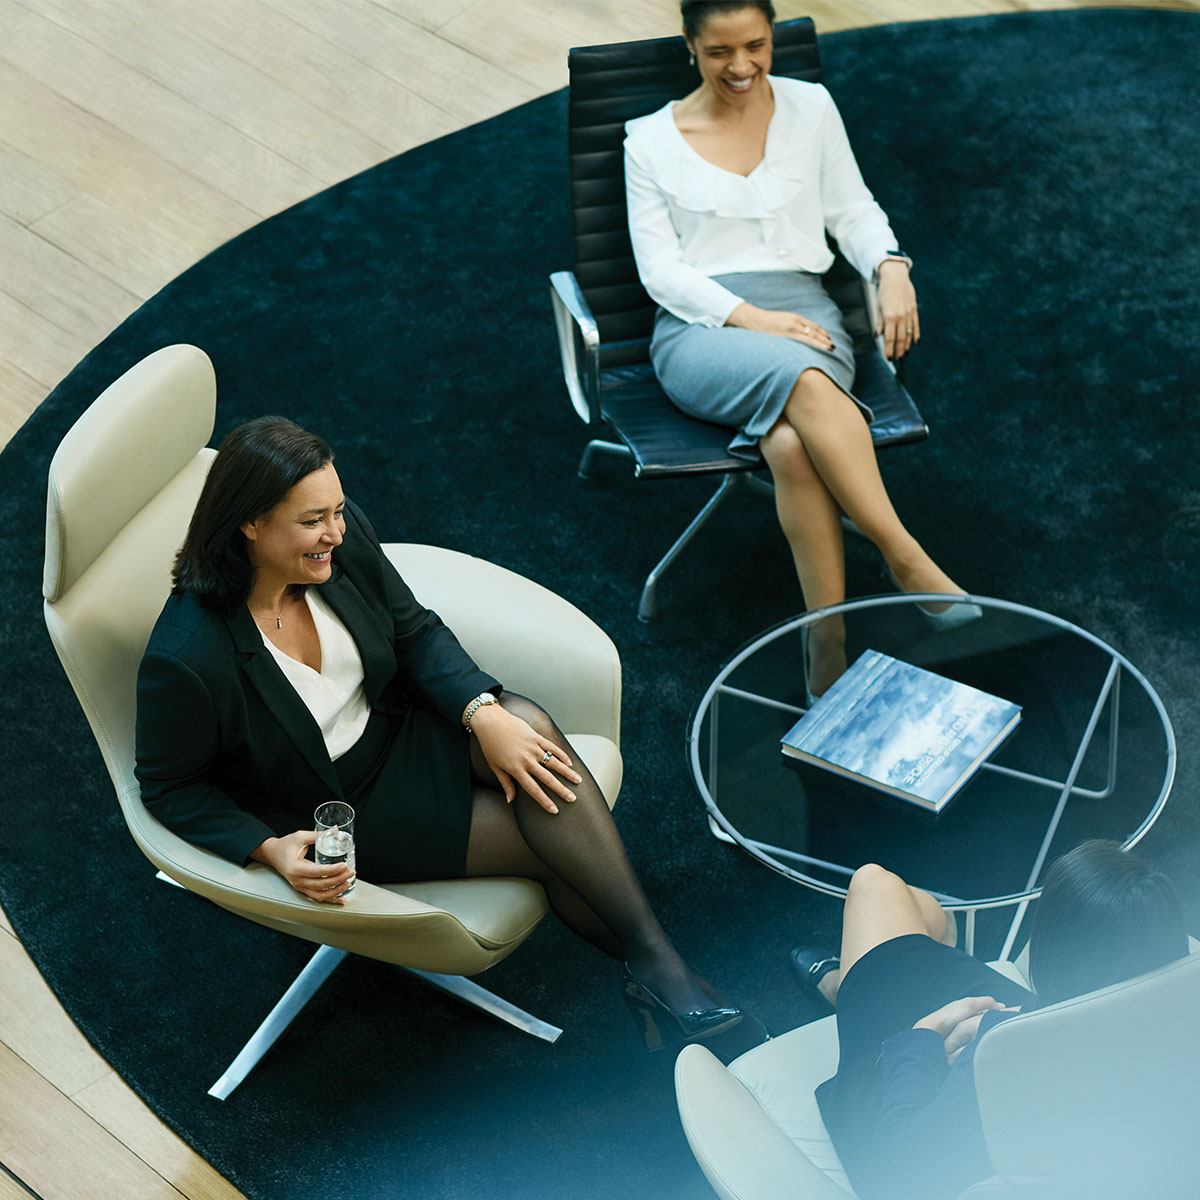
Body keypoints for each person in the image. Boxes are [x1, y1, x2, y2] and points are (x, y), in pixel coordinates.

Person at [134, 416, 750, 1051]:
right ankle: (666, 977)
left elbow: (414, 632)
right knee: (551, 838)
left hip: (401, 726)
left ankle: (657, 971)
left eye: (339, 511)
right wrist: (266, 848)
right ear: (250, 522)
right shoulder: (187, 656)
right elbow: (169, 787)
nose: (336, 533)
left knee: (524, 725)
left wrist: (481, 713)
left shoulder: (338, 545)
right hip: (346, 804)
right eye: (314, 520)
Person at [625, 0, 974, 694]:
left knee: (789, 446)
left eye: (756, 45)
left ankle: (827, 636)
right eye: (721, 51)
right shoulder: (648, 142)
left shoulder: (811, 108)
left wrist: (891, 265)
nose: (743, 66)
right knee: (809, 385)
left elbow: (852, 209)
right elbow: (660, 272)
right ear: (690, 46)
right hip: (703, 326)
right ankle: (904, 558)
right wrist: (752, 316)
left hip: (806, 310)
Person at [790, 841, 1189, 1200]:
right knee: (906, 906)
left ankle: (849, 985)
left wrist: (925, 1033)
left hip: (905, 1090)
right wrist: (1012, 1017)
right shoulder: (1181, 1025)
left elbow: (898, 1167)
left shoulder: (1009, 1059)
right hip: (1040, 1012)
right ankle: (861, 977)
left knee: (874, 882)